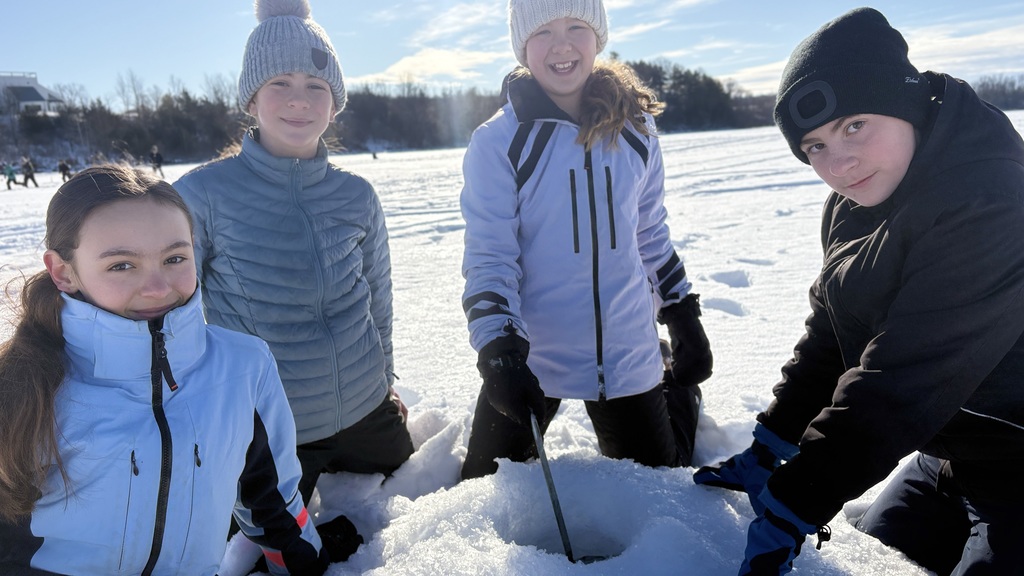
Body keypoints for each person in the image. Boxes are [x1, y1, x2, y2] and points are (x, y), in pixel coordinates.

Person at [691, 8, 1024, 575]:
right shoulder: (854, 205)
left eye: (853, 126)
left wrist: (795, 502)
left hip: (1014, 461)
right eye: (814, 146)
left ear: (906, 104)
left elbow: (903, 378)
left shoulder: (991, 201)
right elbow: (834, 331)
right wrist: (773, 442)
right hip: (947, 454)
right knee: (878, 550)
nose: (838, 163)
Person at [0, 165, 328, 575]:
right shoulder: (21, 382)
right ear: (64, 271)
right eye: (122, 265)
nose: (157, 287)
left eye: (174, 258)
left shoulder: (244, 367)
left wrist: (307, 566)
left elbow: (273, 502)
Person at [173, 0, 414, 560]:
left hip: (365, 409)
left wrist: (385, 378)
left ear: (336, 101)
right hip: (272, 430)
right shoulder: (203, 194)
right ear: (252, 98)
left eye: (317, 84)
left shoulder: (357, 195)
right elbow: (177, 313)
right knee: (259, 556)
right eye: (280, 81)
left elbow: (379, 296)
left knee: (416, 507)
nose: (300, 99)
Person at [459, 0, 712, 481]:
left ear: (597, 36)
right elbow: (491, 257)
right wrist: (500, 354)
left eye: (576, 25)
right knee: (480, 493)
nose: (562, 44)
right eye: (543, 32)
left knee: (660, 484)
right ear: (521, 47)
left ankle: (674, 390)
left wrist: (681, 313)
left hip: (625, 350)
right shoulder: (499, 141)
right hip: (531, 351)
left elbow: (650, 233)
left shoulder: (636, 127)